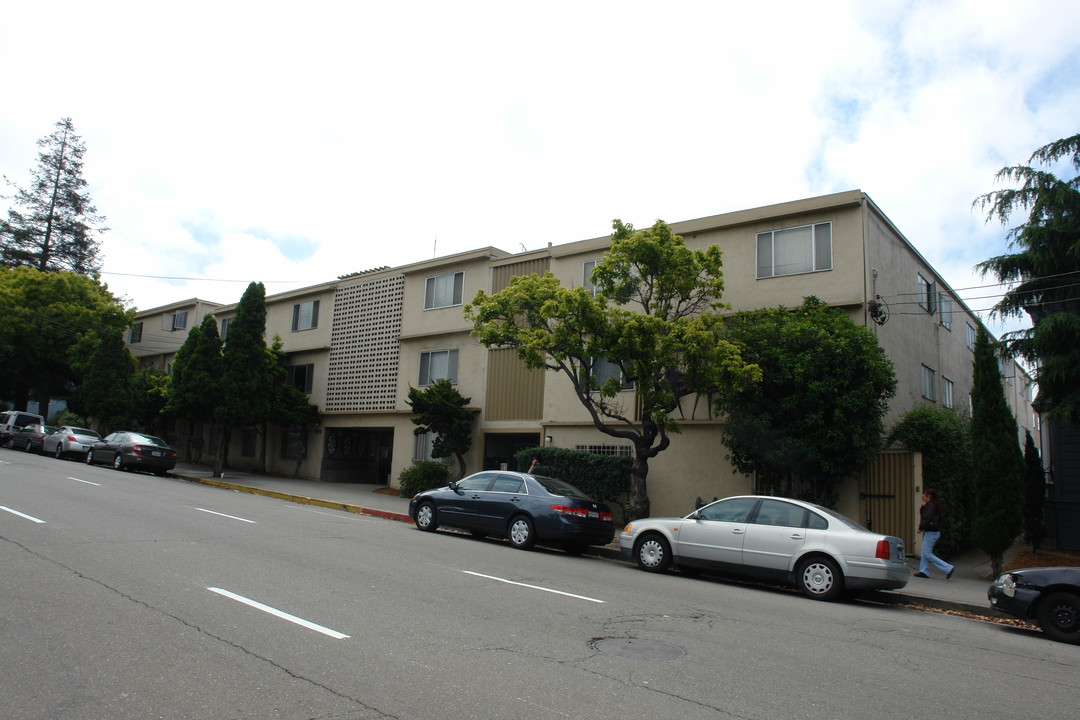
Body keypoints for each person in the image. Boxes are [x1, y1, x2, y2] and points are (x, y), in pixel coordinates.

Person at [915, 488, 955, 579]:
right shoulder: (931, 505)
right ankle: (923, 571)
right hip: (932, 532)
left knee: (927, 553)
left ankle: (948, 568)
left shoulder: (931, 505)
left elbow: (927, 518)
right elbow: (925, 516)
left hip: (931, 533)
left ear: (929, 496)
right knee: (924, 552)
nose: (922, 496)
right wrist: (922, 507)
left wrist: (920, 528)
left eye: (924, 495)